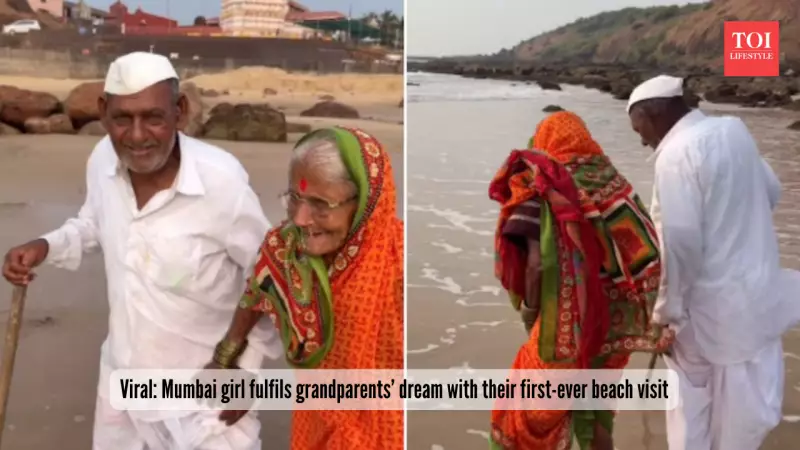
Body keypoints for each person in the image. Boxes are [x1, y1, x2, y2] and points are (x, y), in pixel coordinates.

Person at [1, 52, 280, 449]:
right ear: (102, 112)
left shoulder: (222, 183)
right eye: (122, 119)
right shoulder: (103, 158)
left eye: (153, 118)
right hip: (123, 380)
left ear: (180, 111)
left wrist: (245, 372)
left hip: (203, 392)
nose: (136, 136)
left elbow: (268, 276)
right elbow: (94, 221)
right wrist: (46, 245)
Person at [627, 75, 800, 450]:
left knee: (691, 408)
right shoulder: (733, 130)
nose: (642, 141)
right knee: (742, 408)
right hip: (755, 298)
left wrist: (665, 314)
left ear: (655, 114)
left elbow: (680, 243)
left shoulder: (676, 155)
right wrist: (734, 230)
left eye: (639, 129)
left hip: (706, 310)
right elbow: (771, 191)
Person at [206, 126, 404, 450]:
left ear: (365, 203)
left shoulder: (398, 260)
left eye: (320, 204)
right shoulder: (284, 247)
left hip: (385, 424)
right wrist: (225, 359)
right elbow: (257, 293)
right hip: (315, 414)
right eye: (294, 198)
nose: (300, 219)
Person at [488, 111, 672, 450]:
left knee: (520, 416)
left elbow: (535, 266)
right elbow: (646, 248)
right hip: (615, 328)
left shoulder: (546, 186)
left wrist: (530, 310)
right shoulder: (613, 184)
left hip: (566, 329)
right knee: (595, 411)